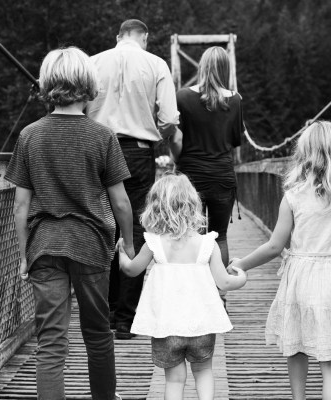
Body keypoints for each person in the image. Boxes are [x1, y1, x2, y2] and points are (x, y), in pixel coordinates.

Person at [5, 47, 133, 400]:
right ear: (88, 84)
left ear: (47, 84)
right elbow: (121, 202)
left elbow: (20, 205)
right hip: (91, 246)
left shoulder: (30, 135)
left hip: (44, 246)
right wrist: (129, 243)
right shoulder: (103, 136)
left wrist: (23, 256)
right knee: (98, 333)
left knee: (50, 341)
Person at [229, 121, 331, 400]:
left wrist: (242, 264)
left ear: (305, 154)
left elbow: (274, 246)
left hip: (302, 279)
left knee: (296, 347)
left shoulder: (294, 197)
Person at [87, 19, 179, 339]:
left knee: (102, 226)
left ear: (118, 36)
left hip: (97, 149)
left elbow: (78, 107)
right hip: (138, 152)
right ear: (145, 37)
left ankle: (107, 312)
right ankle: (127, 319)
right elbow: (169, 118)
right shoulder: (156, 64)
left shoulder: (91, 63)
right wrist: (158, 135)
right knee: (136, 229)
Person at [118, 173, 247, 400]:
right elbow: (224, 282)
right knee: (204, 372)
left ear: (155, 209)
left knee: (174, 380)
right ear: (193, 205)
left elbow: (131, 270)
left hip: (167, 327)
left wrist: (121, 252)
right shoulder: (208, 244)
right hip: (202, 326)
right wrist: (242, 277)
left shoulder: (154, 244)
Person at [169, 46, 244, 307]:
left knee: (193, 237)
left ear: (201, 66)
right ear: (226, 69)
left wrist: (177, 161)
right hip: (222, 176)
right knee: (219, 236)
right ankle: (219, 297)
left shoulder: (182, 97)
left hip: (191, 179)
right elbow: (235, 141)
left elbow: (176, 138)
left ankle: (197, 296)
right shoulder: (235, 100)